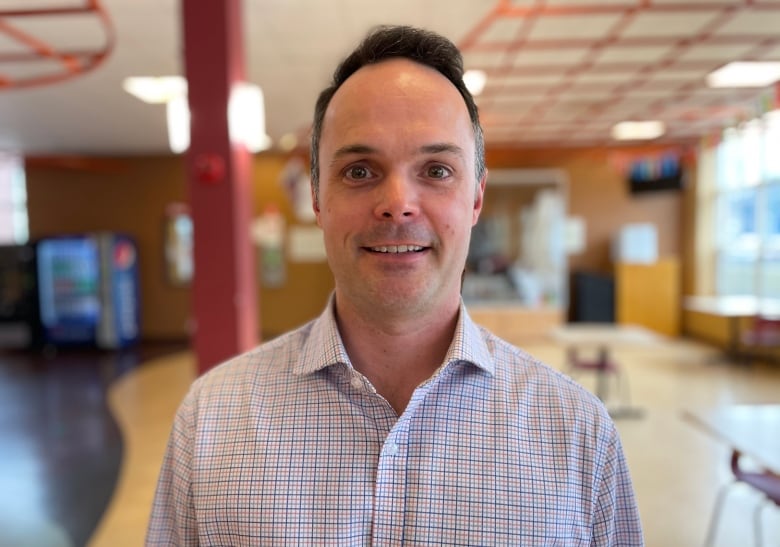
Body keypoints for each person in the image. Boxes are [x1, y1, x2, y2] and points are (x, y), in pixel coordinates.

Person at [147, 25, 643, 545]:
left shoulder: (579, 434)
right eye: (360, 171)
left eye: (436, 169)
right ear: (318, 198)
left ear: (475, 199)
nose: (398, 203)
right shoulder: (210, 421)